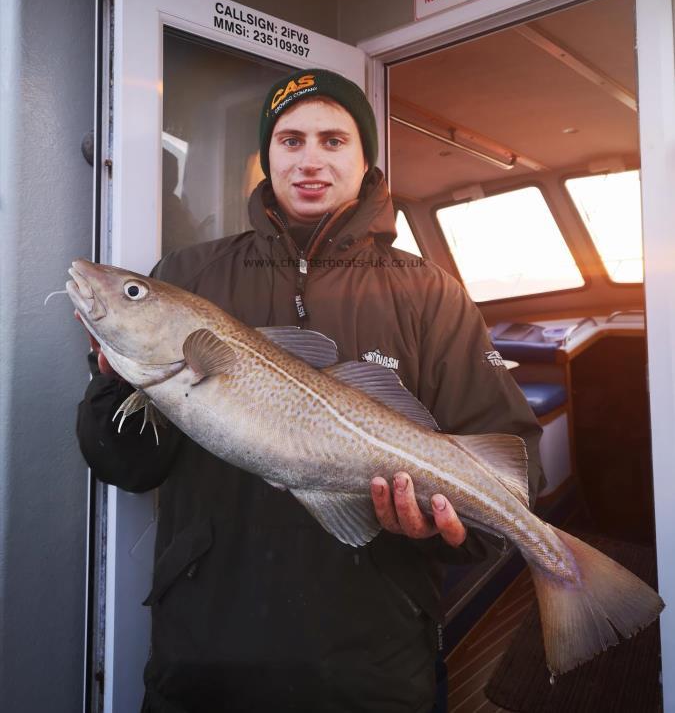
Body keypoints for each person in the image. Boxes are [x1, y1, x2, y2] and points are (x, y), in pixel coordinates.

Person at [77, 68, 544, 713]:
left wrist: (434, 527)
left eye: (333, 140)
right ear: (267, 158)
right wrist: (114, 375)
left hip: (373, 664)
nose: (310, 161)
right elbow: (125, 464)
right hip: (207, 655)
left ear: (364, 157)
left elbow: (510, 462)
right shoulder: (188, 276)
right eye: (290, 141)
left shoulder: (428, 292)